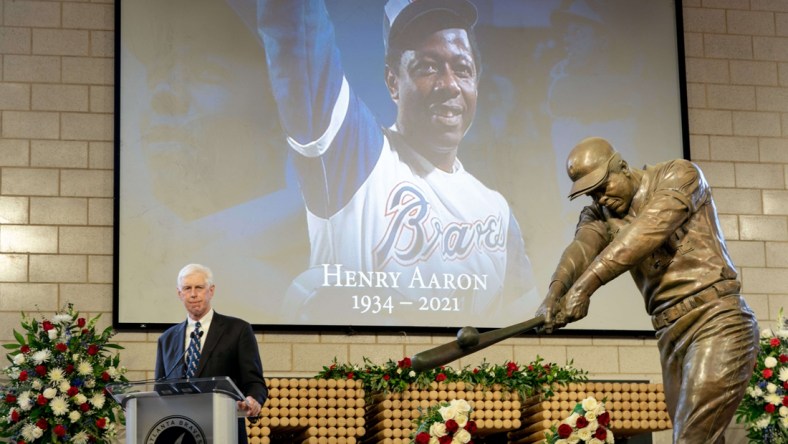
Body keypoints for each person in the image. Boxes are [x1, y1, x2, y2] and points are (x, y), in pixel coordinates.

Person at [257, 0, 539, 326]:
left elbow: (523, 329)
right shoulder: (357, 158)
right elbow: (298, 40)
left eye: (462, 69)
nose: (449, 84)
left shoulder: (497, 211)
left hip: (466, 377)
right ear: (393, 82)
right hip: (364, 372)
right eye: (428, 67)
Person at [536, 136, 759, 443]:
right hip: (670, 334)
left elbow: (646, 233)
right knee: (699, 436)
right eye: (592, 194)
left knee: (691, 438)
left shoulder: (678, 175)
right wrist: (554, 293)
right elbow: (581, 248)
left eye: (603, 187)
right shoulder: (598, 214)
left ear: (623, 167)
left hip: (717, 320)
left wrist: (586, 286)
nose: (600, 199)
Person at [155, 263, 268, 443]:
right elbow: (159, 390)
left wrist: (253, 400)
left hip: (223, 431)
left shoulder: (237, 330)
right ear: (179, 293)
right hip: (178, 433)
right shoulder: (166, 339)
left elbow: (254, 381)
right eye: (187, 288)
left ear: (211, 290)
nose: (193, 294)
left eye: (199, 287)